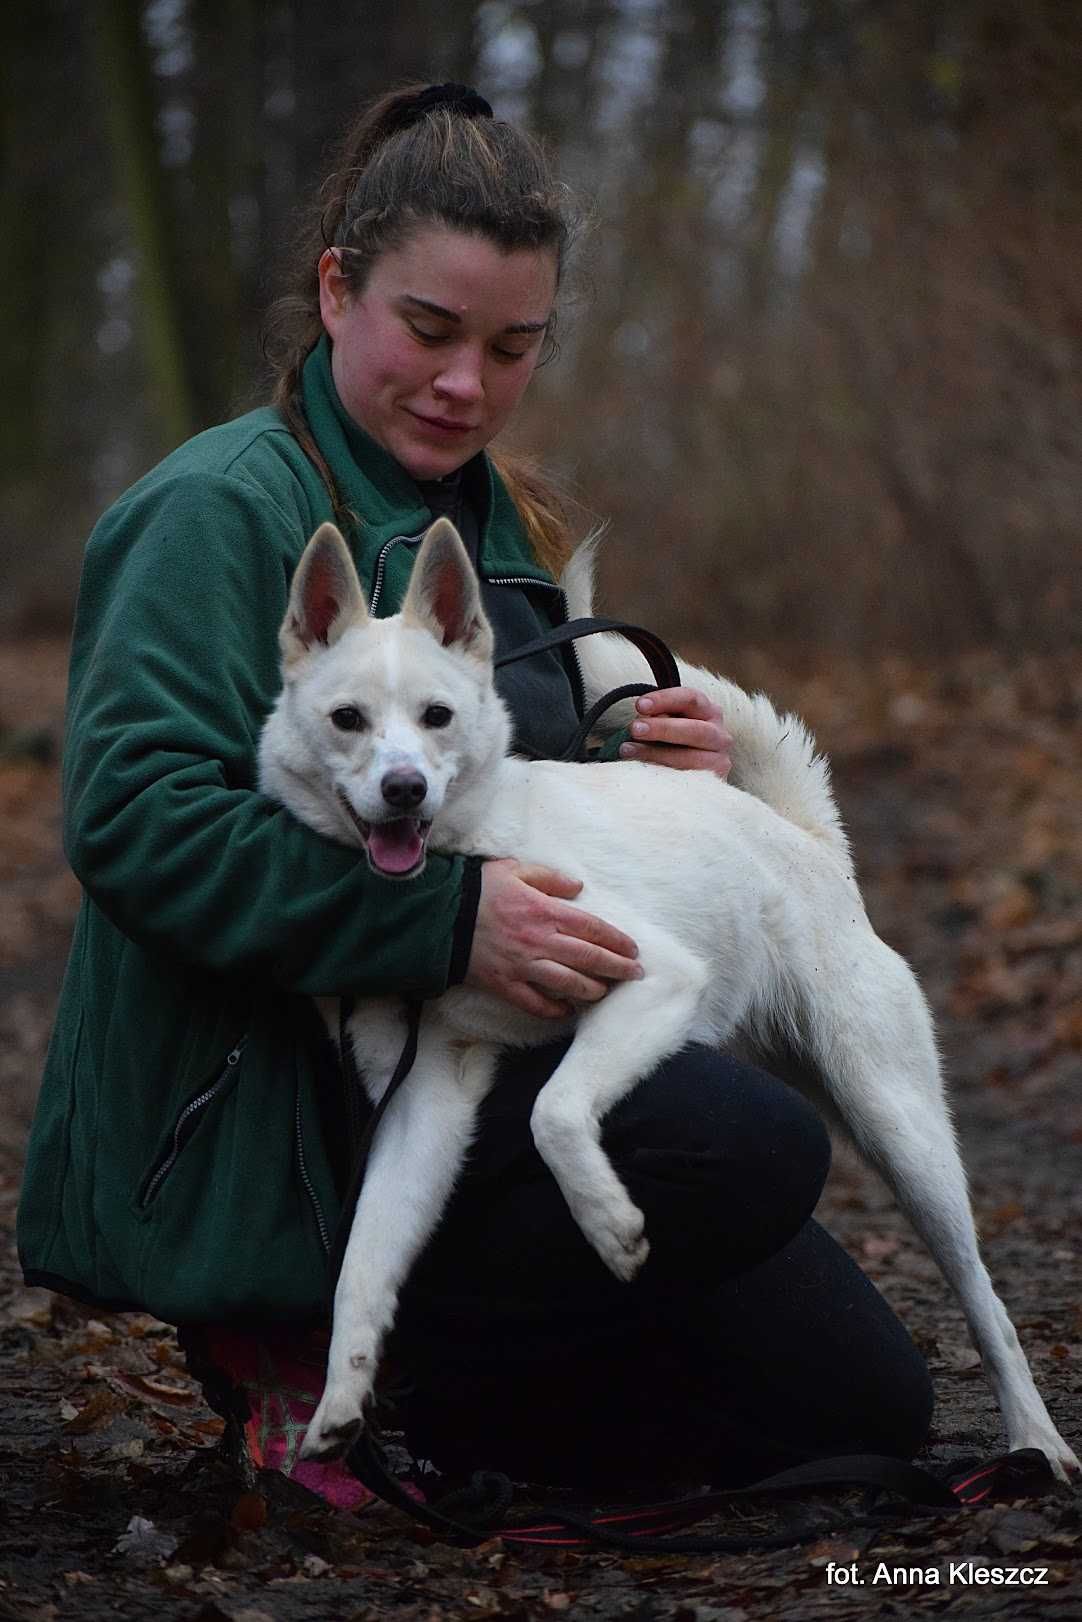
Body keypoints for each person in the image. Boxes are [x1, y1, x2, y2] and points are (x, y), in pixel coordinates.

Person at [18, 81, 932, 1506]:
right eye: (430, 332)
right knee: (743, 1144)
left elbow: (486, 788)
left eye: (513, 348)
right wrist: (446, 923)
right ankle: (318, 1359)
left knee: (860, 1404)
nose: (467, 384)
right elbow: (138, 821)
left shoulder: (487, 517)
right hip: (280, 1112)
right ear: (336, 291)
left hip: (492, 1043)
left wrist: (642, 764)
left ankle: (472, 1408)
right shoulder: (218, 513)